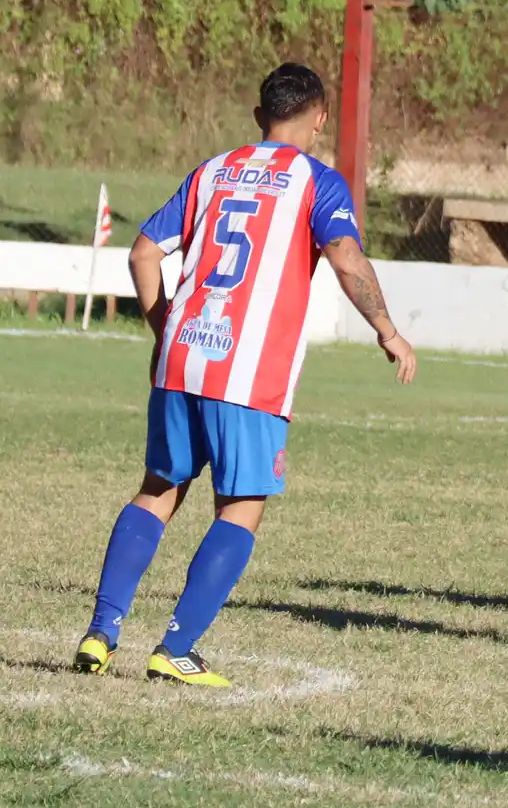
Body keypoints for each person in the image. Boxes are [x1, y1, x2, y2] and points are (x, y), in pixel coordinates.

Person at [72, 63, 418, 687]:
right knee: (242, 506)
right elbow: (345, 258)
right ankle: (177, 649)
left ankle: (101, 631)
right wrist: (387, 331)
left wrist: (164, 330)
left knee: (158, 488)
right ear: (319, 118)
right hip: (248, 369)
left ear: (260, 118)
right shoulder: (318, 182)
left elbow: (143, 252)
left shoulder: (212, 171)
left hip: (183, 353)